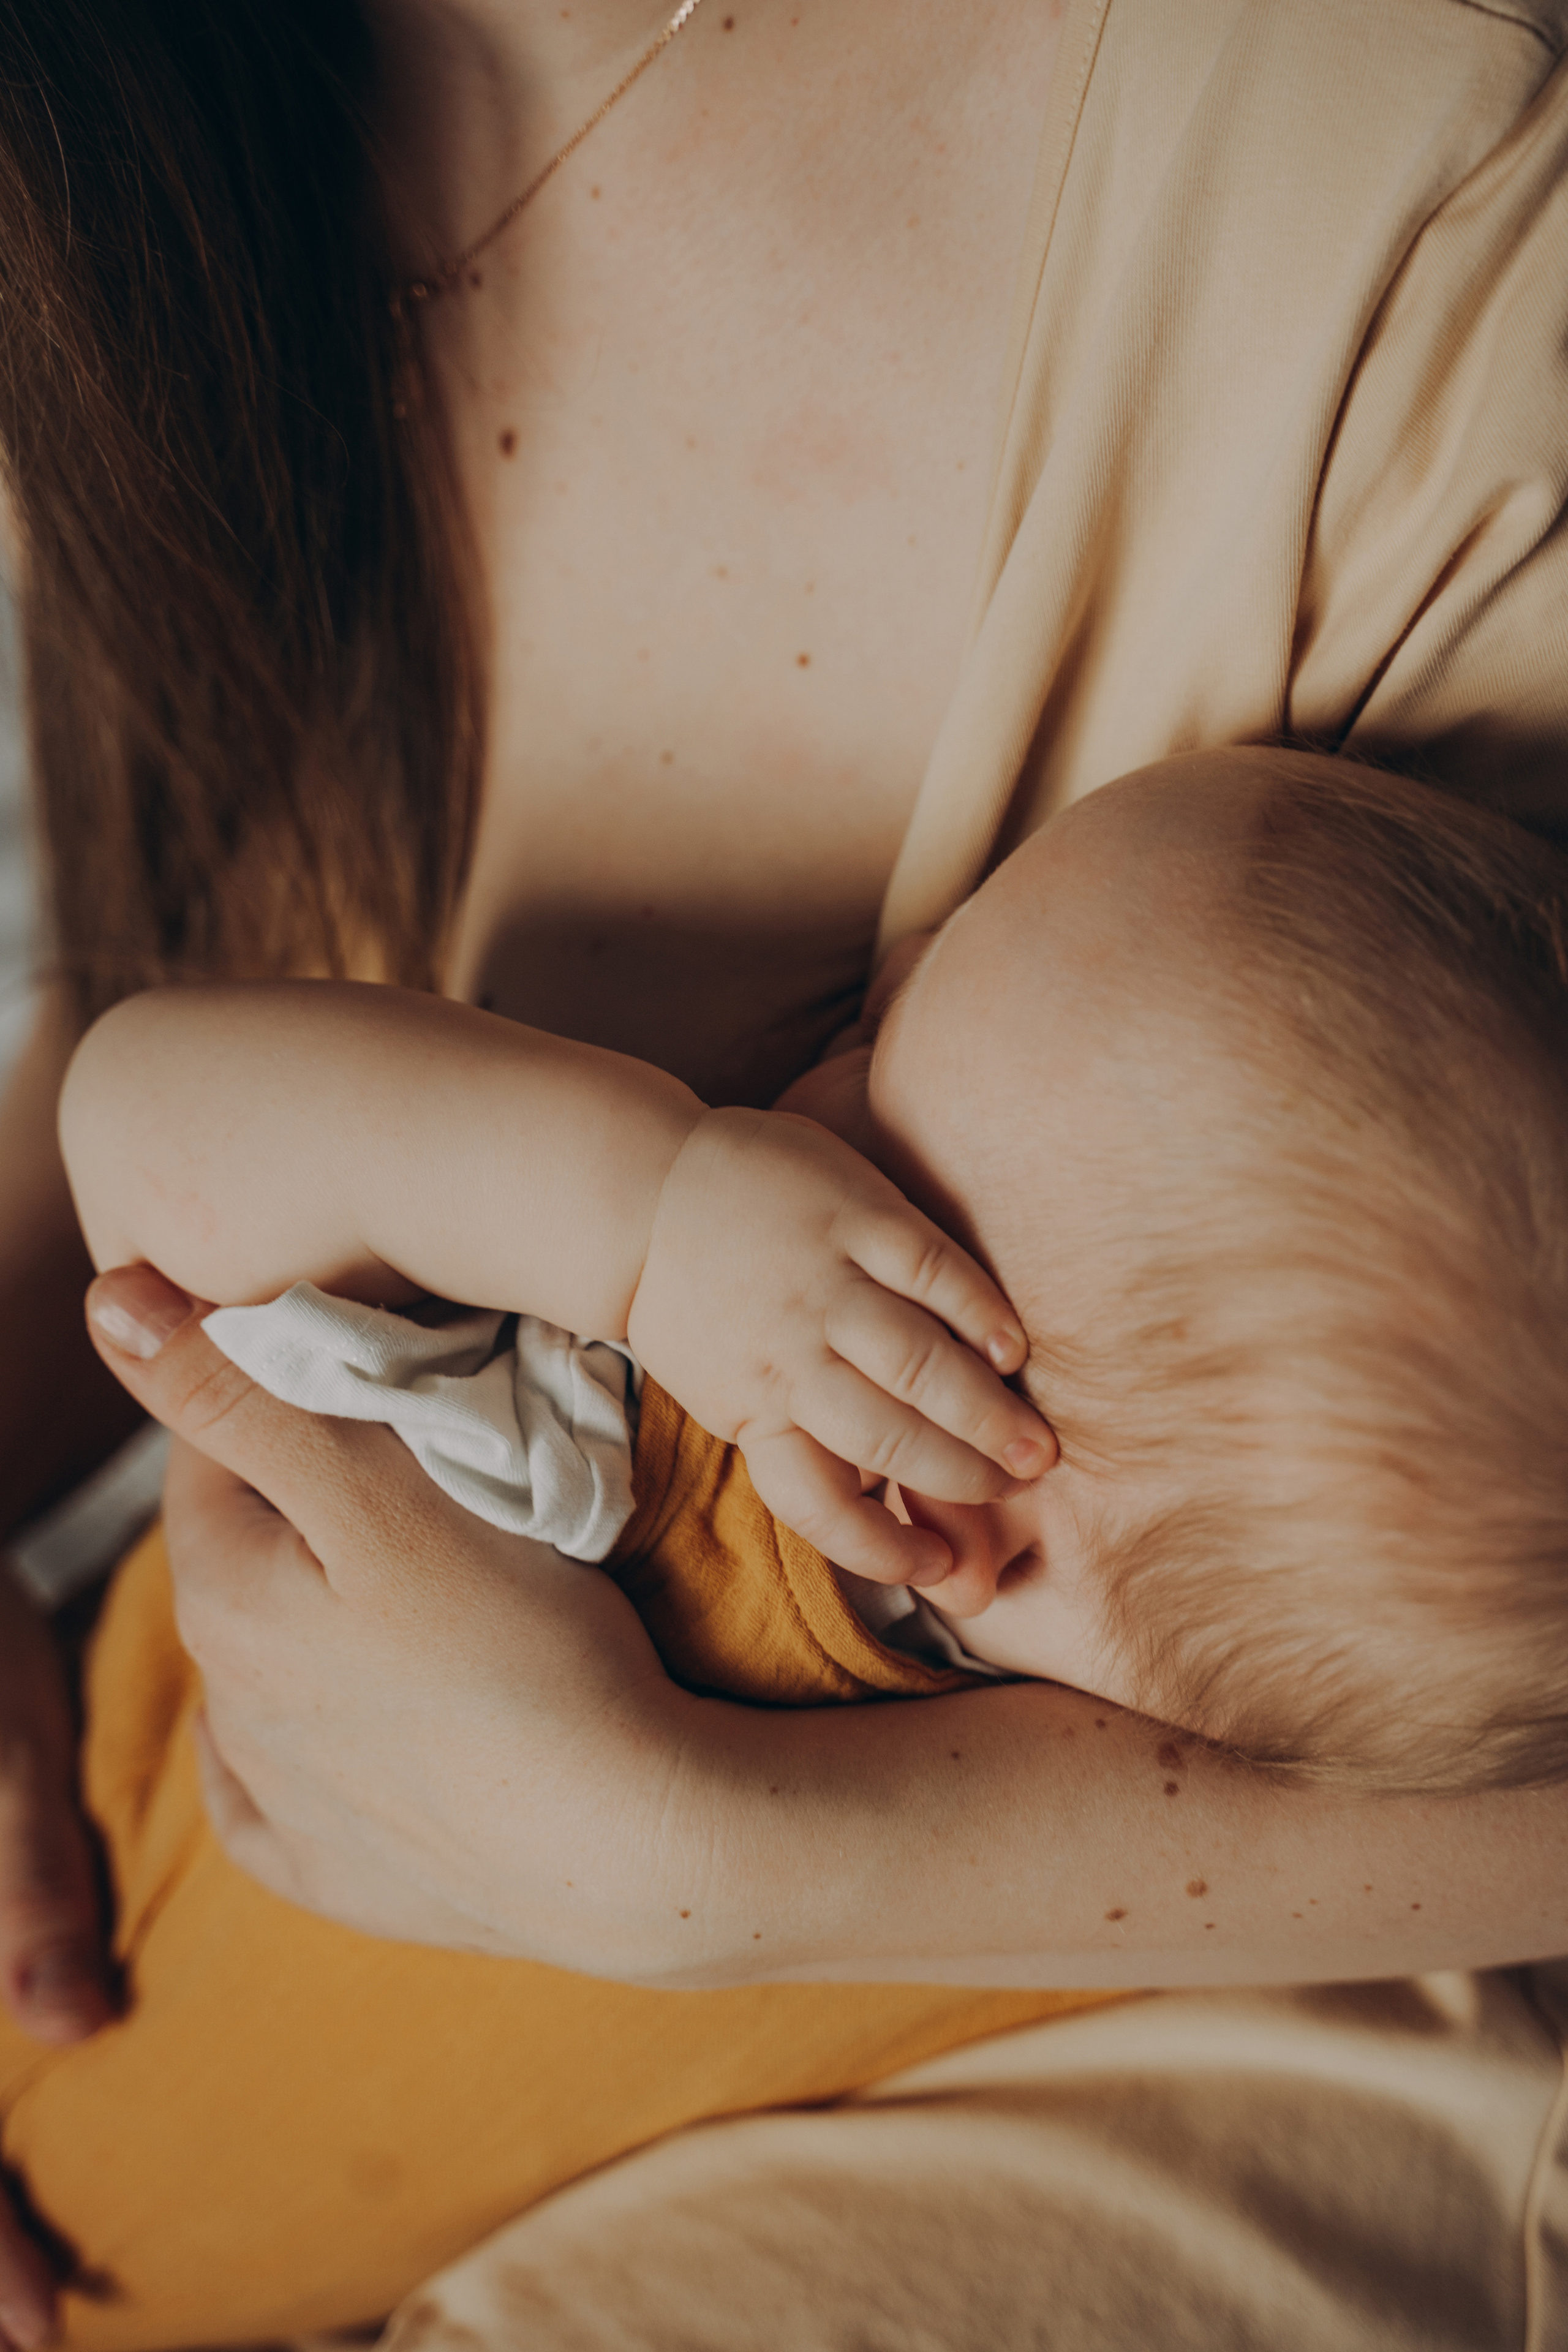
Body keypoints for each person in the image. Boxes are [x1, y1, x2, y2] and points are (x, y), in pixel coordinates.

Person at [3, 0, 1568, 2342]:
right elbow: (136, 1069)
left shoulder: (625, 1451)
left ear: (961, 1511)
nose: (804, 1042)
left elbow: (175, 1122)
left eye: (865, 1047)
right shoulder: (141, 114)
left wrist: (738, 1861)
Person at [59, 749, 1568, 1789]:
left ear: (924, 1477)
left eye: (876, 1056)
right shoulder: (1050, 1816)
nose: (892, 954)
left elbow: (139, 1136)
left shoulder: (627, 1465)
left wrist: (643, 1232)